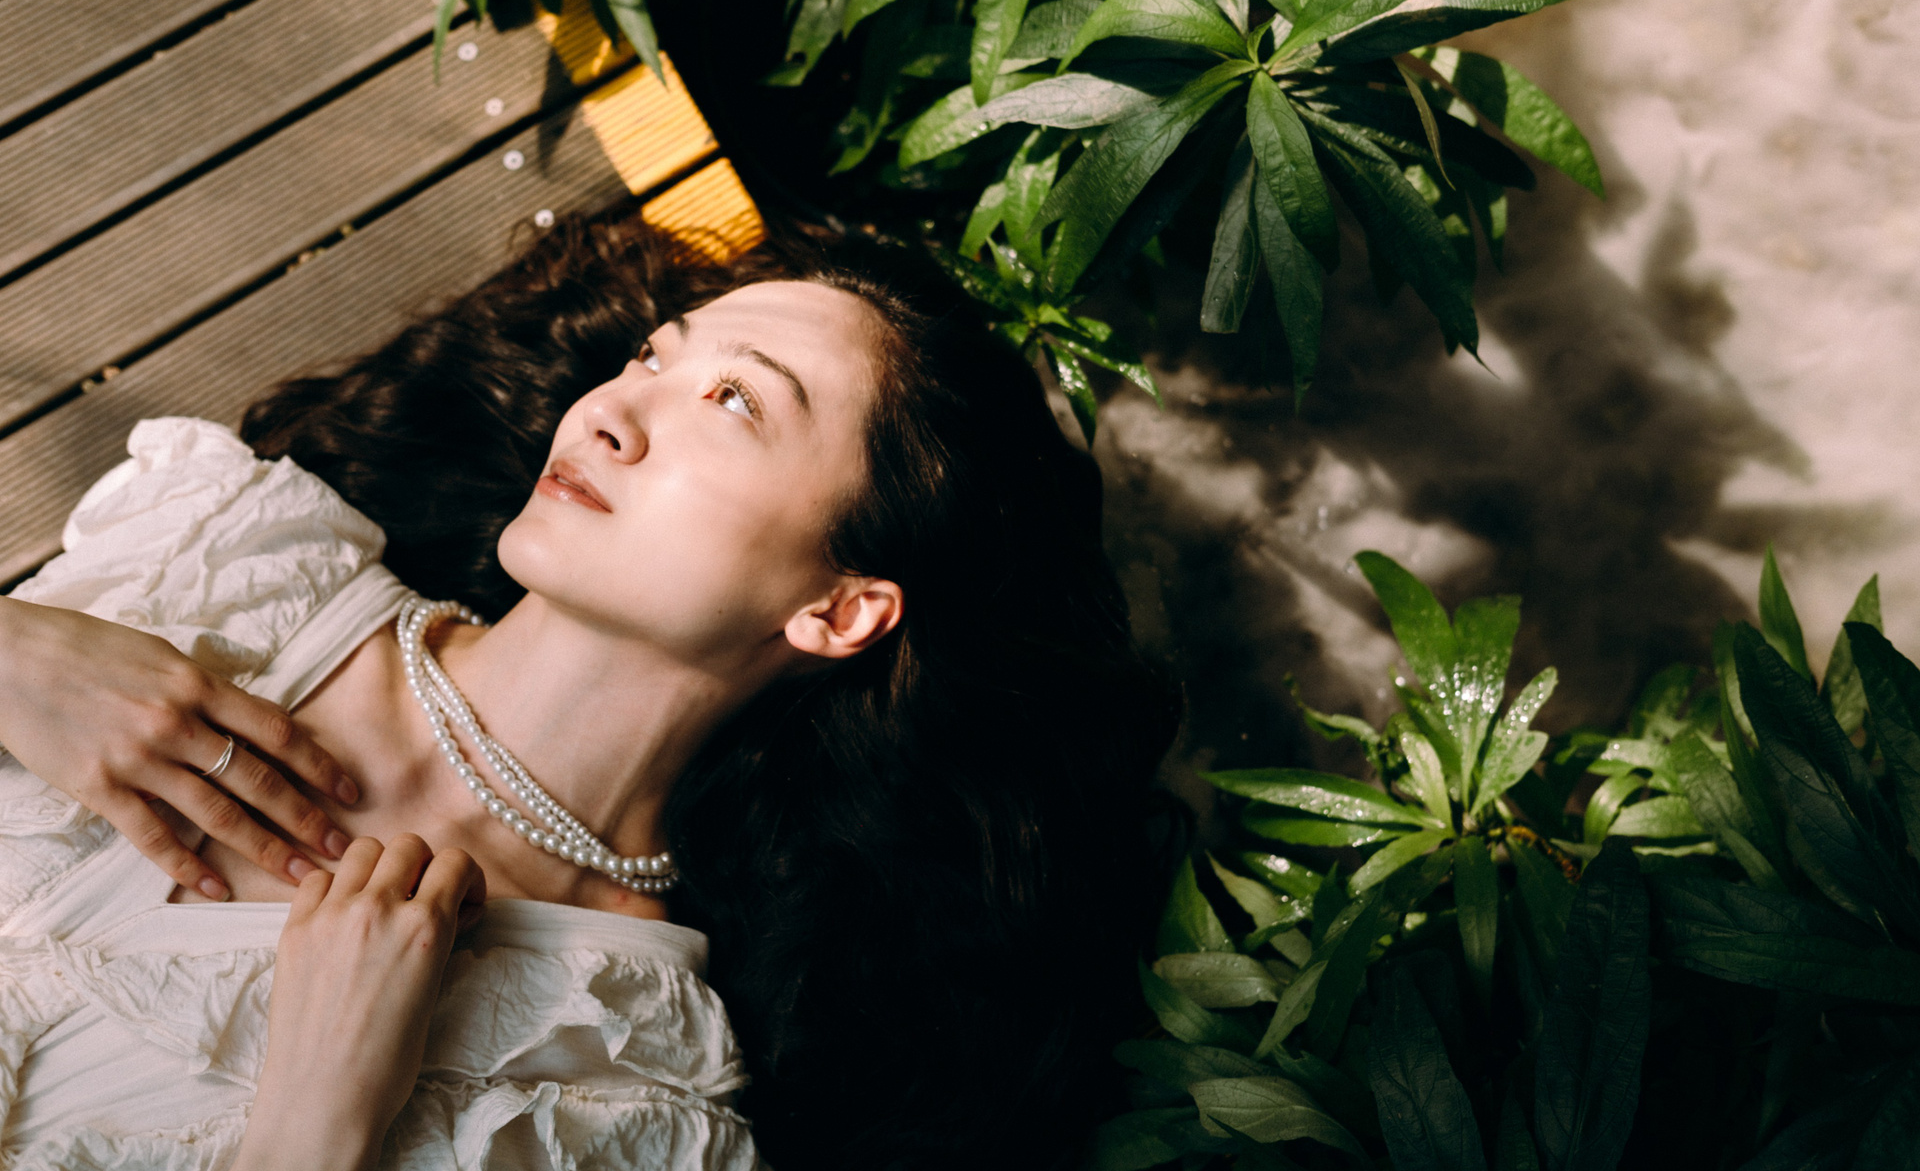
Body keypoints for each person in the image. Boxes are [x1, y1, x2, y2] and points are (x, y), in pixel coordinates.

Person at [0, 216, 1181, 1170]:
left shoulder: (628, 1087)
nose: (612, 413)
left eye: (735, 401)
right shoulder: (238, 562)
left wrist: (319, 1127)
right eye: (653, 358)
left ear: (839, 608)